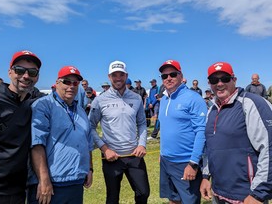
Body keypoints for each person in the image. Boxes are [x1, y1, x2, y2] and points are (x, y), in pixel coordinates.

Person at [200, 62, 272, 204]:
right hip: (218, 193)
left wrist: (258, 194)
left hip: (247, 196)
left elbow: (269, 148)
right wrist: (206, 176)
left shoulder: (251, 103)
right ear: (209, 83)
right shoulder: (212, 110)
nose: (219, 84)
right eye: (214, 80)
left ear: (234, 80)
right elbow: (210, 147)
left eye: (225, 78)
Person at [27, 66, 94, 204]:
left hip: (76, 182)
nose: (71, 86)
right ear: (57, 83)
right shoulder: (43, 105)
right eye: (66, 82)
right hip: (52, 184)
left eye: (75, 83)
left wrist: (89, 168)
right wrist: (43, 180)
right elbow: (36, 144)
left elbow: (87, 142)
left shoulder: (81, 111)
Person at [0, 50, 43, 203]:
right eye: (19, 70)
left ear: (37, 76)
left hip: (18, 190)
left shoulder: (32, 104)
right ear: (10, 72)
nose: (26, 76)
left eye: (32, 72)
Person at [89, 60, 150, 204]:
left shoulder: (136, 98)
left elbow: (141, 123)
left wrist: (142, 144)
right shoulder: (100, 100)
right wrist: (104, 149)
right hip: (111, 157)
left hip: (134, 154)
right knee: (112, 198)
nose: (118, 78)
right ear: (109, 77)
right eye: (114, 75)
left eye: (121, 74)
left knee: (143, 193)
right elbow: (90, 126)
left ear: (126, 75)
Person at [158, 60, 207, 204]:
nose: (168, 78)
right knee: (173, 199)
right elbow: (166, 128)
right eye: (164, 76)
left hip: (185, 162)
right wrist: (162, 152)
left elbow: (201, 131)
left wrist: (193, 163)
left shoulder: (193, 98)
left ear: (181, 75)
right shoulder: (164, 99)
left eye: (173, 74)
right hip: (166, 161)